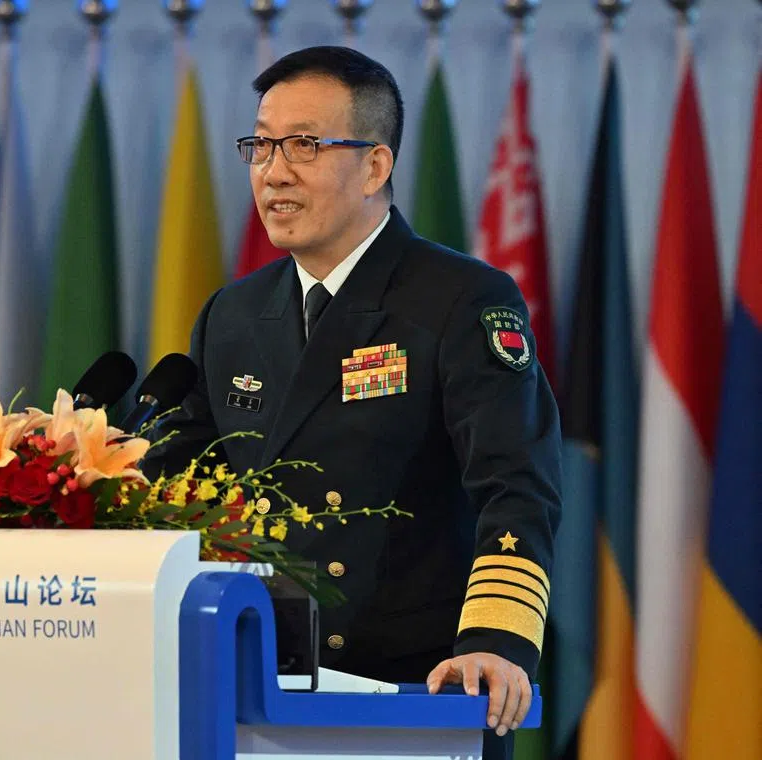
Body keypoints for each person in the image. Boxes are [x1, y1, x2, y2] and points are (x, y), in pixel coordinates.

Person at [141, 46, 561, 760]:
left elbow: (515, 484)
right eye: (261, 144)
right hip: (253, 698)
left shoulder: (460, 299)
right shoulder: (234, 314)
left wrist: (495, 643)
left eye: (304, 145)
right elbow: (177, 484)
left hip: (416, 696)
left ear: (375, 165)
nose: (273, 171)